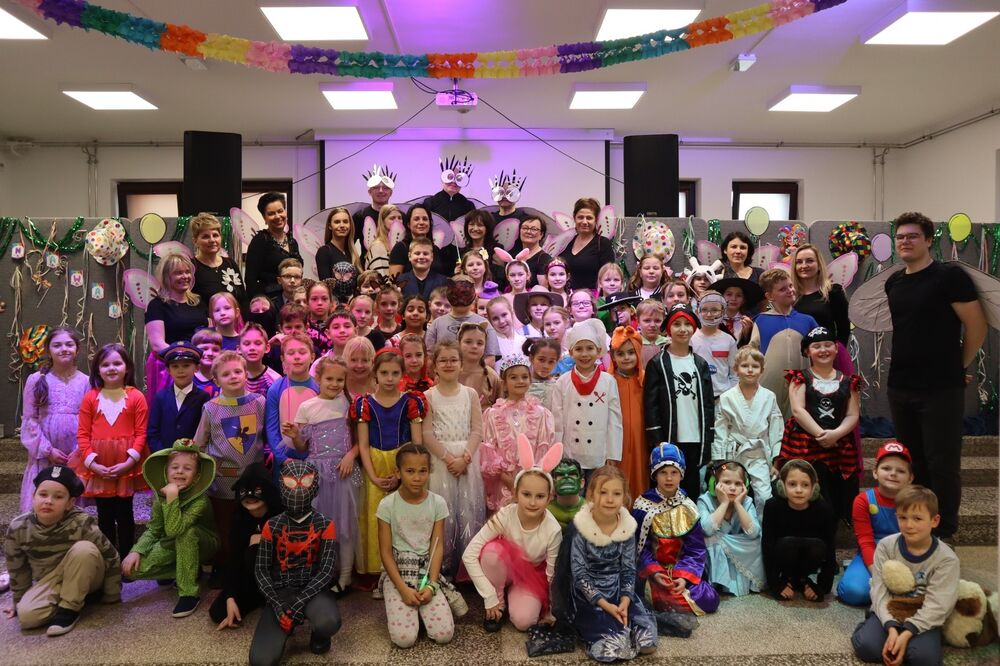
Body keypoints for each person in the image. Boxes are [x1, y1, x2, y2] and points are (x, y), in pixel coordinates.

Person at [885, 211, 986, 539]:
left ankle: (944, 533)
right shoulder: (893, 282)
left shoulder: (949, 277)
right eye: (900, 237)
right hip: (900, 386)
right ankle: (917, 528)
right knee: (912, 462)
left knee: (942, 464)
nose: (905, 241)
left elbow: (976, 325)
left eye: (913, 236)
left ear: (929, 240)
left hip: (941, 388)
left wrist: (958, 367)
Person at [3, 466, 120, 636]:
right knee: (28, 618)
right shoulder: (19, 527)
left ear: (70, 503)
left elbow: (110, 555)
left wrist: (112, 594)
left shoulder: (81, 522)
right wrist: (18, 601)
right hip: (51, 580)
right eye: (43, 494)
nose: (48, 501)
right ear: (33, 496)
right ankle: (76, 596)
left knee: (84, 549)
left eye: (58, 497)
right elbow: (17, 568)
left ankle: (70, 609)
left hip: (86, 572)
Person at [462, 438, 564, 632]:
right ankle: (499, 601)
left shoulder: (553, 530)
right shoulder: (506, 515)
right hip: (504, 567)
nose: (532, 502)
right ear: (516, 494)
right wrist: (489, 596)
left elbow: (552, 575)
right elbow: (469, 554)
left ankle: (517, 595)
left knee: (524, 622)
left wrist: (550, 610)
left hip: (530, 576)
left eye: (540, 496)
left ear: (549, 498)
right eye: (526, 494)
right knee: (491, 554)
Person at [850, 485, 960, 666]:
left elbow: (939, 603)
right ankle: (874, 622)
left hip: (923, 613)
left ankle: (914, 640)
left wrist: (908, 632)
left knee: (924, 660)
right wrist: (891, 627)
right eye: (902, 517)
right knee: (867, 647)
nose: (909, 525)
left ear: (934, 521)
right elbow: (879, 590)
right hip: (890, 607)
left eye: (917, 518)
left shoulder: (946, 558)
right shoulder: (886, 546)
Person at [249, 460, 342, 665]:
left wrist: (297, 605)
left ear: (314, 487)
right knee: (260, 661)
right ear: (282, 486)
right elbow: (261, 570)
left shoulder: (325, 524)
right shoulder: (272, 525)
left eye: (305, 482)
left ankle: (320, 634)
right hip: (280, 591)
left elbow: (326, 572)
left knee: (328, 622)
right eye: (291, 483)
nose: (298, 490)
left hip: (314, 591)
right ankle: (285, 623)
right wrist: (278, 606)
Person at [561, 465, 657, 661]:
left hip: (619, 589)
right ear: (591, 495)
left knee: (647, 642)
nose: (610, 499)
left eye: (616, 493)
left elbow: (628, 569)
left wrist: (625, 601)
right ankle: (609, 629)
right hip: (590, 595)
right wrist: (605, 605)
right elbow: (579, 574)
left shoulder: (627, 527)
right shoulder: (580, 528)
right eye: (603, 492)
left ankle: (626, 621)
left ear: (625, 497)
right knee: (612, 648)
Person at [286, 357, 360, 595]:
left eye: (340, 379)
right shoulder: (307, 407)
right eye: (329, 378)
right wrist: (295, 435)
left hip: (343, 471)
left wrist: (350, 455)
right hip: (317, 473)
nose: (335, 384)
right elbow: (302, 447)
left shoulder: (350, 403)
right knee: (320, 526)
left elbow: (362, 439)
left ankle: (346, 576)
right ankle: (323, 573)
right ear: (318, 378)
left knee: (345, 525)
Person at [121, 440, 219, 618]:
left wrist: (172, 496)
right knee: (133, 570)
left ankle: (189, 593)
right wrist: (137, 550)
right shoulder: (160, 496)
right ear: (166, 471)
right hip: (173, 543)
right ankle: (186, 570)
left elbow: (176, 529)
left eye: (187, 468)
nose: (180, 471)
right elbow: (154, 529)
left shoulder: (200, 500)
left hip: (204, 544)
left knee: (186, 533)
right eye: (175, 467)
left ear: (197, 476)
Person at [352, 350, 427, 577]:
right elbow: (363, 444)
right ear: (375, 373)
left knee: (402, 516)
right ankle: (378, 570)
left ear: (402, 374)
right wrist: (373, 477)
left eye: (395, 373)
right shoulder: (365, 404)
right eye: (384, 373)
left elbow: (417, 443)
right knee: (376, 515)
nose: (389, 378)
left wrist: (401, 475)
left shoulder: (411, 402)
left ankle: (405, 567)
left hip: (404, 464)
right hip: (374, 463)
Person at [72, 343, 147, 558]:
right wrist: (92, 463)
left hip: (126, 464)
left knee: (125, 513)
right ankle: (108, 560)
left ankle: (126, 559)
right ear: (97, 369)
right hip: (98, 466)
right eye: (105, 364)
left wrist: (129, 462)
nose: (111, 368)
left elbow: (141, 433)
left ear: (127, 367)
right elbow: (83, 434)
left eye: (117, 363)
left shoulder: (136, 397)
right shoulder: (90, 397)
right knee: (104, 515)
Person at [376, 444, 456, 648]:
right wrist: (402, 589)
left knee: (444, 635)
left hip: (426, 573)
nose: (417, 477)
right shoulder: (387, 505)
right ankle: (408, 612)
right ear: (398, 472)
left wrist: (432, 584)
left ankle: (422, 612)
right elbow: (385, 552)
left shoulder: (437, 503)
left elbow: (437, 546)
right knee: (404, 640)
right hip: (398, 574)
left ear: (429, 472)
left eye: (423, 471)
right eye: (410, 471)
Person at [779, 326, 861, 523]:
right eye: (817, 346)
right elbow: (798, 410)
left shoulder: (848, 381)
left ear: (836, 349)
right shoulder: (800, 378)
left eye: (827, 345)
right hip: (806, 443)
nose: (823, 350)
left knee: (837, 491)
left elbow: (852, 414)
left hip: (839, 443)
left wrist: (836, 435)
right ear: (807, 351)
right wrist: (821, 435)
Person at [195, 350, 268, 560]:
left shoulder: (259, 402)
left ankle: (251, 565)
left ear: (246, 374)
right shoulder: (211, 408)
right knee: (224, 526)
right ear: (216, 380)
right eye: (226, 374)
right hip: (223, 481)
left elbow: (269, 436)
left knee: (252, 525)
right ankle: (225, 565)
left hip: (252, 478)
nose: (233, 376)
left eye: (237, 371)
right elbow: (199, 443)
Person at [632, 444, 719, 616]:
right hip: (654, 572)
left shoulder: (688, 506)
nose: (669, 478)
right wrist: (655, 573)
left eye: (674, 472)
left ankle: (671, 600)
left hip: (681, 569)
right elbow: (639, 548)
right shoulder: (643, 506)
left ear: (681, 475)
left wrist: (683, 578)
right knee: (653, 597)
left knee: (710, 599)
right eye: (663, 473)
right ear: (655, 475)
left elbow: (696, 549)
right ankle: (662, 600)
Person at [423, 343, 485, 574]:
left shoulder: (470, 394)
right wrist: (449, 459)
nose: (448, 364)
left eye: (453, 360)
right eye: (443, 360)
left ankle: (468, 568)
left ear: (461, 364)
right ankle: (444, 567)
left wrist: (465, 458)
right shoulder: (428, 396)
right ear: (435, 366)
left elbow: (477, 430)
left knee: (468, 510)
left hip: (467, 459)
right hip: (441, 461)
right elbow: (427, 434)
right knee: (444, 512)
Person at [644, 304, 714, 500]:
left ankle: (690, 519)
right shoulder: (657, 363)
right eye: (677, 324)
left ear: (694, 328)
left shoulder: (700, 363)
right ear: (668, 328)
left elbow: (708, 403)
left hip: (695, 436)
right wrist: (657, 439)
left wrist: (708, 437)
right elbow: (651, 405)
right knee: (665, 486)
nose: (683, 329)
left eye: (687, 324)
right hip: (669, 436)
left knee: (691, 487)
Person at [19, 326, 89, 513]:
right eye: (57, 345)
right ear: (48, 350)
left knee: (70, 505)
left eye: (69, 344)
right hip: (45, 457)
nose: (64, 349)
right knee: (44, 505)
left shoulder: (86, 381)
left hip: (75, 455)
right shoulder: (36, 380)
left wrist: (80, 450)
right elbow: (30, 420)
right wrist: (47, 450)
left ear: (77, 349)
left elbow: (91, 420)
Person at [838, 442, 914, 607]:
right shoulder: (863, 501)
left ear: (910, 478)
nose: (893, 473)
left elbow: (919, 539)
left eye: (901, 471)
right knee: (854, 592)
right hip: (872, 554)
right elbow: (865, 541)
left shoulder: (915, 502)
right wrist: (879, 575)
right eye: (886, 468)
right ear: (875, 472)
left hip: (906, 554)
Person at [713, 346, 783, 519]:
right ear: (735, 369)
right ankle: (732, 529)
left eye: (755, 366)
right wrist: (720, 461)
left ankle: (759, 531)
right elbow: (720, 429)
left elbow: (776, 428)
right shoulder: (727, 397)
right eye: (745, 366)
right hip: (734, 453)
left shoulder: (769, 396)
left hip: (759, 453)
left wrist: (776, 460)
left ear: (762, 370)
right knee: (731, 495)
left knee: (765, 497)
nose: (750, 370)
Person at [211, 463, 283, 630]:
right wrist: (230, 597)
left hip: (277, 578)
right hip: (249, 579)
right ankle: (258, 597)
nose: (250, 497)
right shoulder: (239, 519)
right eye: (244, 492)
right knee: (218, 612)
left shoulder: (281, 517)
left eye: (256, 491)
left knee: (255, 549)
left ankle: (269, 598)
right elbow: (234, 559)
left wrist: (264, 543)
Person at [481, 354, 556, 512]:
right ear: (504, 383)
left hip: (533, 480)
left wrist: (531, 476)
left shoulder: (541, 413)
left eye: (524, 377)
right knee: (506, 519)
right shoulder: (493, 414)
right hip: (504, 481)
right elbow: (490, 451)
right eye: (513, 377)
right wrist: (506, 479)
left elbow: (544, 448)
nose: (520, 381)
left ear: (530, 380)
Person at [551, 319, 623, 478]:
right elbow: (557, 422)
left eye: (590, 348)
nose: (584, 354)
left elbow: (614, 421)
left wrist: (613, 454)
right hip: (570, 454)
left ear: (599, 351)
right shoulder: (562, 381)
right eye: (579, 349)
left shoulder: (608, 381)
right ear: (571, 352)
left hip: (599, 453)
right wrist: (557, 453)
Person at [761, 459, 837, 602]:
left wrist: (822, 587)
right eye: (792, 484)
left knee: (818, 545)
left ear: (814, 487)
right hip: (783, 556)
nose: (799, 490)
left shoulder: (824, 509)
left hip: (810, 558)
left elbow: (830, 550)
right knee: (787, 543)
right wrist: (775, 585)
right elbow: (767, 547)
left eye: (805, 485)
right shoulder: (772, 506)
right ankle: (788, 578)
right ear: (782, 485)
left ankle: (802, 579)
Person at [751, 268, 818, 418]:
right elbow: (751, 354)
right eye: (782, 289)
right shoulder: (761, 320)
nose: (789, 291)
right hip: (767, 387)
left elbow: (819, 353)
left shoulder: (807, 321)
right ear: (769, 296)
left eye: (790, 286)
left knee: (797, 423)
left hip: (801, 386)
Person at [144, 252, 208, 404]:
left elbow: (208, 335)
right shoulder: (157, 305)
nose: (185, 276)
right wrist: (186, 359)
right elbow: (157, 344)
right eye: (178, 273)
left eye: (187, 272)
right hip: (171, 368)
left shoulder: (199, 302)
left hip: (200, 366)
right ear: (167, 277)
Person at [696, 460, 765, 597]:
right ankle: (717, 581)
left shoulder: (747, 502)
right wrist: (724, 503)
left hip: (738, 547)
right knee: (711, 538)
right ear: (714, 484)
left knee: (757, 541)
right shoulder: (705, 500)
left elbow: (753, 533)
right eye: (727, 482)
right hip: (715, 544)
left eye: (738, 483)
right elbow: (707, 530)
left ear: (745, 486)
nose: (733, 488)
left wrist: (738, 504)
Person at [266, 334, 319, 471]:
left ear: (312, 357)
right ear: (282, 359)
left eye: (302, 352)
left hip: (315, 460)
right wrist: (282, 458)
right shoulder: (275, 389)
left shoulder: (319, 388)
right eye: (291, 353)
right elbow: (272, 429)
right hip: (285, 461)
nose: (297, 357)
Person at [147, 342, 211, 454]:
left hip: (193, 458)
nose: (180, 371)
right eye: (175, 366)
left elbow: (205, 432)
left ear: (197, 367)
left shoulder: (203, 398)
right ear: (168, 370)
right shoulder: (160, 397)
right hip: (164, 458)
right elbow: (153, 432)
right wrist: (164, 455)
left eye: (186, 365)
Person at [609, 326, 647, 505]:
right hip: (618, 442)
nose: (626, 358)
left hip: (641, 441)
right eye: (620, 353)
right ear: (613, 356)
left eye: (631, 352)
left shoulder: (646, 379)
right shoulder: (608, 381)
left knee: (641, 474)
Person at [425, 276, 501, 362]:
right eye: (456, 293)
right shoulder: (437, 324)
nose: (460, 297)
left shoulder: (484, 323)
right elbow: (429, 357)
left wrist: (472, 369)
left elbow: (490, 358)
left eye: (465, 293)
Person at [245, 192, 303, 300]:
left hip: (293, 299)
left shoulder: (292, 241)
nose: (277, 216)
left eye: (280, 211)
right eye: (271, 213)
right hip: (269, 301)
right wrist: (259, 304)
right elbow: (250, 281)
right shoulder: (260, 241)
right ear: (264, 218)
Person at [191, 212, 247, 315]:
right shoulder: (191, 267)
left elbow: (243, 299)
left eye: (215, 235)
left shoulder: (230, 263)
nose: (212, 240)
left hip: (236, 322)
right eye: (205, 236)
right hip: (206, 323)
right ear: (195, 241)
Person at [389, 204, 459, 278]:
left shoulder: (435, 249)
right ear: (409, 224)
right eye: (416, 219)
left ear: (430, 223)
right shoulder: (400, 248)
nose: (421, 222)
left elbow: (442, 277)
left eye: (425, 219)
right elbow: (394, 280)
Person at [558, 197, 614, 290]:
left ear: (596, 220)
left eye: (589, 218)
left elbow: (608, 277)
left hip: (592, 297)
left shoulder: (603, 244)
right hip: (566, 296)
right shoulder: (567, 242)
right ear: (574, 218)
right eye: (580, 217)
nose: (584, 222)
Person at [692, 291, 738, 399]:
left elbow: (735, 374)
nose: (709, 314)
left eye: (714, 310)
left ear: (723, 311)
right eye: (704, 310)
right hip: (696, 398)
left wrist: (728, 395)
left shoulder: (729, 340)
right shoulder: (690, 339)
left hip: (722, 398)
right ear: (698, 311)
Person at [354, 164, 396, 261]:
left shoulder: (399, 216)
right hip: (367, 267)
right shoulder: (360, 216)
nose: (381, 191)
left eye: (385, 188)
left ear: (391, 193)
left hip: (394, 266)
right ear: (369, 192)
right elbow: (349, 244)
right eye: (376, 187)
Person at [457, 322, 501, 411]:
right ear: (459, 343)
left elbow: (500, 407)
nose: (474, 346)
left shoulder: (492, 376)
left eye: (480, 343)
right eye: (468, 342)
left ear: (485, 347)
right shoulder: (449, 372)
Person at [424, 155, 476, 222]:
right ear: (443, 179)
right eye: (450, 177)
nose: (454, 182)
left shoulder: (469, 206)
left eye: (459, 179)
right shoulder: (430, 203)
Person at [316, 207, 362, 279]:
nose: (342, 225)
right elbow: (325, 283)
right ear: (330, 226)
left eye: (345, 222)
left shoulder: (352, 253)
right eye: (337, 222)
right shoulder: (324, 252)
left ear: (350, 225)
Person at [509, 215, 552, 288]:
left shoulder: (544, 258)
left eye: (534, 229)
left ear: (541, 235)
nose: (528, 232)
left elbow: (544, 288)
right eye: (525, 228)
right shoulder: (512, 256)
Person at [240, 323, 281, 398]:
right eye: (247, 344)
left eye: (258, 343)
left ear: (267, 348)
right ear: (239, 349)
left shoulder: (275, 380)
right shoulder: (233, 377)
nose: (252, 348)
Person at [547, 457, 586, 528]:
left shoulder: (590, 510)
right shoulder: (546, 511)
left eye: (572, 474)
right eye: (560, 475)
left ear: (581, 483)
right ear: (553, 483)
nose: (566, 477)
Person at [524, 336, 561, 410]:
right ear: (531, 358)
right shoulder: (522, 384)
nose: (546, 366)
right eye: (541, 360)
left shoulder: (558, 386)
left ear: (557, 361)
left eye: (551, 361)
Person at [364, 204, 398, 276]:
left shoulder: (398, 244)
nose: (397, 221)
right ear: (383, 222)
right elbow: (382, 277)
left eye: (400, 218)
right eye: (392, 218)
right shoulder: (378, 246)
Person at [635, 298, 668, 368]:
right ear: (638, 321)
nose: (652, 325)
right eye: (647, 321)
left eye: (657, 321)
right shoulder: (634, 344)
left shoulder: (668, 344)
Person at [192, 327, 222, 396]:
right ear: (194, 350)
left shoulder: (223, 377)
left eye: (215, 350)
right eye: (204, 349)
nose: (210, 353)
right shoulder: (187, 377)